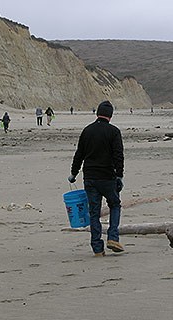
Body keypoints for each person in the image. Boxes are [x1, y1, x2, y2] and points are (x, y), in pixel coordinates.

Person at [68, 100, 125, 257]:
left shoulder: (87, 131)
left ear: (97, 113)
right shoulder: (114, 132)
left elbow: (79, 154)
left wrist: (74, 173)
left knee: (94, 212)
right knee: (115, 205)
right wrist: (119, 175)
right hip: (108, 177)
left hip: (90, 177)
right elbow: (118, 155)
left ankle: (97, 248)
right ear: (110, 116)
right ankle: (113, 237)